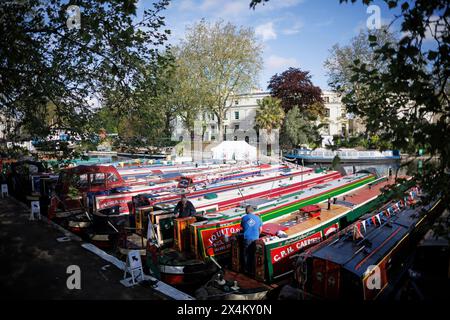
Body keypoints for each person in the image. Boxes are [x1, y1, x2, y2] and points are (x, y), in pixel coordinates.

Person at [240, 205, 262, 275]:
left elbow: (243, 228)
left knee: (247, 254)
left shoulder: (244, 218)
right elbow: (261, 229)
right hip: (256, 239)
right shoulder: (258, 218)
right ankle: (254, 271)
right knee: (254, 255)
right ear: (252, 210)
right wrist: (257, 235)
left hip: (247, 239)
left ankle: (247, 270)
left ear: (246, 211)